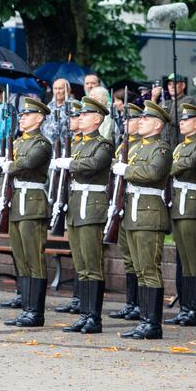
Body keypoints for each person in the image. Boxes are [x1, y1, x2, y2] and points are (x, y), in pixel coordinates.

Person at [113, 100, 173, 340]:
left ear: (158, 125)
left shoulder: (162, 148)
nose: (141, 121)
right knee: (139, 269)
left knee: (149, 269)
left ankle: (153, 323)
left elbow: (154, 173)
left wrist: (126, 171)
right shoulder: (137, 147)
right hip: (133, 211)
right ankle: (144, 320)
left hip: (149, 212)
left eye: (146, 119)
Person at [56, 97, 114, 334]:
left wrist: (70, 164)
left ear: (97, 119)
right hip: (76, 207)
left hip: (92, 208)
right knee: (81, 264)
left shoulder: (104, 144)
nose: (79, 117)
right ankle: (84, 313)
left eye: (85, 114)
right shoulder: (78, 143)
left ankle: (94, 317)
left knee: (92, 264)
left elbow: (93, 165)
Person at [0, 98, 52, 328]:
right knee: (21, 258)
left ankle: (36, 312)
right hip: (17, 203)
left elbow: (27, 163)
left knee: (34, 259)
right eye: (22, 115)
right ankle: (26, 308)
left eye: (27, 115)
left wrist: (10, 164)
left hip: (32, 204)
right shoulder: (19, 142)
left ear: (39, 118)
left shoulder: (41, 143)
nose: (21, 118)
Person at [165, 103, 196, 327]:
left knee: (193, 260)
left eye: (186, 120)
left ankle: (194, 309)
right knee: (183, 259)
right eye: (181, 120)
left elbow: (184, 166)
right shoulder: (180, 147)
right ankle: (185, 307)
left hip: (192, 205)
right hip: (179, 204)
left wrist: (170, 165)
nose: (181, 123)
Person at [108, 104, 144, 321]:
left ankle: (140, 304)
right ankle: (131, 302)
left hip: (136, 204)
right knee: (128, 257)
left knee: (139, 258)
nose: (125, 123)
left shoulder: (140, 146)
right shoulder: (123, 145)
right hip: (121, 204)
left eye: (129, 119)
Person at [54, 101, 85, 315]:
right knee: (79, 257)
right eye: (73, 117)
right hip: (73, 201)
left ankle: (85, 304)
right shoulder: (74, 142)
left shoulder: (95, 144)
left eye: (77, 116)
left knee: (87, 260)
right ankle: (78, 299)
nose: (74, 120)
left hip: (87, 204)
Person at [41, 78, 72, 143]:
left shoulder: (73, 105)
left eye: (60, 88)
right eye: (55, 88)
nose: (57, 91)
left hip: (67, 146)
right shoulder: (49, 105)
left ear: (68, 90)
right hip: (49, 146)